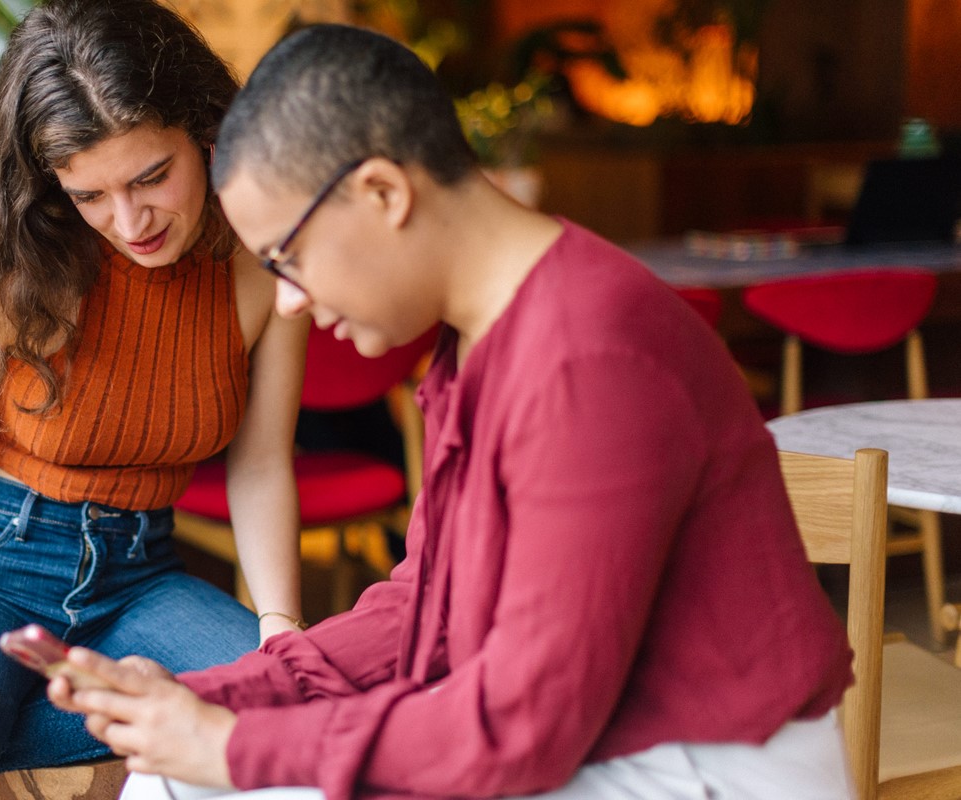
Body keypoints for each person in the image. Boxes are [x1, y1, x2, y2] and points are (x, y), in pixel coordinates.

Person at [48, 24, 857, 800]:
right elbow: (424, 610)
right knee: (174, 774)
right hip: (598, 747)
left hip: (700, 768)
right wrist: (214, 696)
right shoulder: (476, 339)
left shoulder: (591, 356)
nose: (289, 302)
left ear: (382, 192)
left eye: (288, 259)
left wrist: (232, 743)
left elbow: (523, 727)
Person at [0, 1, 309, 796]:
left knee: (305, 724)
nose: (130, 221)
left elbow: (259, 466)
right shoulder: (14, 263)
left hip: (139, 581)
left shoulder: (259, 265)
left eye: (152, 176)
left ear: (204, 129)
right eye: (92, 194)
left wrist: (279, 630)